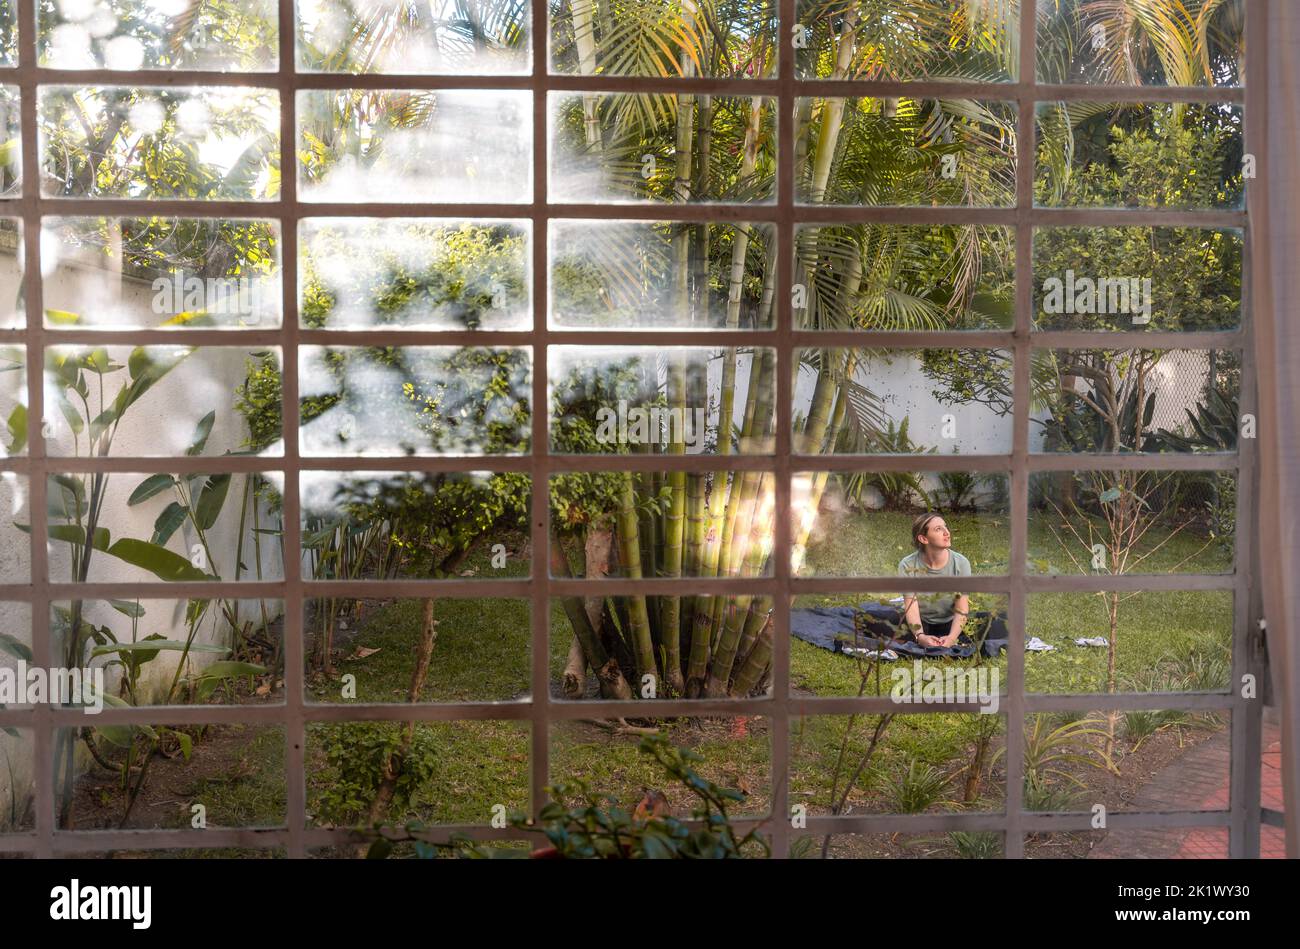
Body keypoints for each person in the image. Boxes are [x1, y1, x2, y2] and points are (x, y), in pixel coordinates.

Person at [891, 512, 1007, 649]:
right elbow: (911, 609)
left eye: (945, 527)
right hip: (920, 622)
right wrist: (920, 636)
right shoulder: (907, 565)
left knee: (1001, 621)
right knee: (879, 624)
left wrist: (952, 638)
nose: (947, 532)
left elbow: (962, 607)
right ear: (923, 538)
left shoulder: (960, 563)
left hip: (950, 622)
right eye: (938, 529)